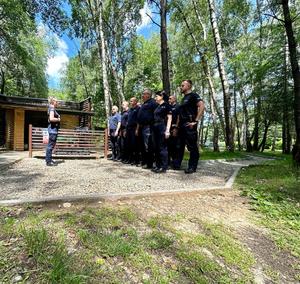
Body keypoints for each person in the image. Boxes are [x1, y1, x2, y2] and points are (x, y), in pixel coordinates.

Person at [177, 80, 205, 174]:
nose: (181, 87)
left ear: (188, 86)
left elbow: (201, 106)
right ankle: (176, 165)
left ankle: (192, 167)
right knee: (179, 146)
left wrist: (195, 121)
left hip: (189, 125)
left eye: (182, 85)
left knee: (192, 147)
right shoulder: (183, 98)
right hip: (181, 125)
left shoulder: (193, 95)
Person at [136, 89, 157, 169]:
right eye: (142, 94)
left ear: (148, 95)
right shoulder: (144, 104)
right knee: (144, 146)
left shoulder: (153, 103)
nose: (142, 95)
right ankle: (145, 161)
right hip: (142, 127)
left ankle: (150, 163)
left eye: (144, 94)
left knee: (148, 145)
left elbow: (156, 114)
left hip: (149, 127)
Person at [152, 91, 172, 173]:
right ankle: (158, 165)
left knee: (162, 147)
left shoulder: (166, 105)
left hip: (162, 126)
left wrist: (167, 130)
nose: (155, 97)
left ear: (162, 96)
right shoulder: (157, 106)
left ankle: (164, 166)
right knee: (156, 147)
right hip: (155, 127)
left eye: (157, 96)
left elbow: (170, 118)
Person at [45, 97, 60, 166]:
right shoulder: (52, 108)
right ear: (53, 102)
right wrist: (58, 119)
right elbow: (51, 119)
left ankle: (49, 159)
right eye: (56, 102)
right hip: (52, 130)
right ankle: (48, 161)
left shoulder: (51, 108)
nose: (57, 103)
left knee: (51, 145)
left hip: (53, 130)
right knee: (50, 145)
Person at [126, 97, 141, 165]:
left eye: (131, 101)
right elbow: (128, 120)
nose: (130, 102)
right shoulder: (129, 110)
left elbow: (138, 120)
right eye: (130, 101)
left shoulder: (138, 109)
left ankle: (137, 160)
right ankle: (130, 159)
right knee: (129, 144)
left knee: (135, 144)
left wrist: (137, 129)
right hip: (128, 128)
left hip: (135, 128)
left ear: (135, 101)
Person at [168, 95, 180, 170]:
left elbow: (179, 117)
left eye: (170, 98)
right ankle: (170, 162)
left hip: (175, 128)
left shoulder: (178, 106)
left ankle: (176, 164)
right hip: (169, 128)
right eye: (168, 98)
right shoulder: (169, 107)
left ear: (174, 99)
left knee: (176, 147)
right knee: (170, 146)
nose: (169, 100)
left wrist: (176, 128)